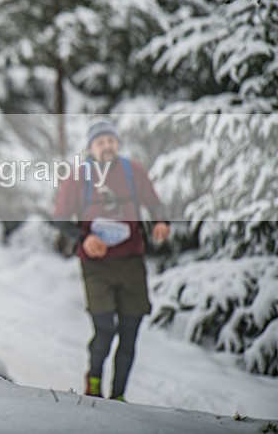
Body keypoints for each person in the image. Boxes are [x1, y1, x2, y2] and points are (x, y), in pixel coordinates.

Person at [53, 120, 170, 401]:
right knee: (105, 327)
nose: (106, 146)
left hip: (131, 262)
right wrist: (84, 240)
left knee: (130, 331)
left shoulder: (134, 172)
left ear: (117, 144)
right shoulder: (79, 176)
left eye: (111, 141)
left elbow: (155, 204)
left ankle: (118, 396)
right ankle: (93, 380)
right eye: (100, 142)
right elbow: (59, 218)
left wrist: (161, 222)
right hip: (96, 265)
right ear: (91, 147)